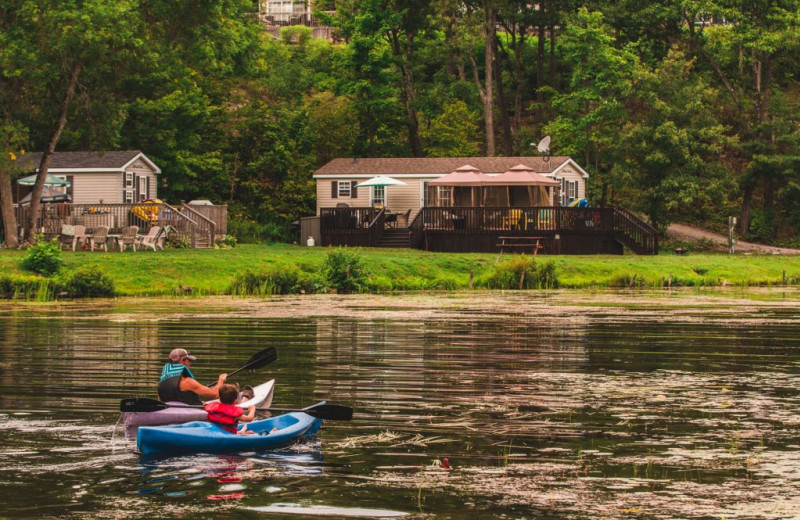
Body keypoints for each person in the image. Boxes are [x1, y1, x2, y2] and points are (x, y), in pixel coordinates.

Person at [158, 348, 226, 405]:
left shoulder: (162, 383)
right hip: (189, 414)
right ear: (182, 361)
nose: (190, 364)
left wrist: (196, 403)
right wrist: (221, 380)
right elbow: (215, 394)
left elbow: (162, 401)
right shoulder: (188, 382)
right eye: (189, 360)